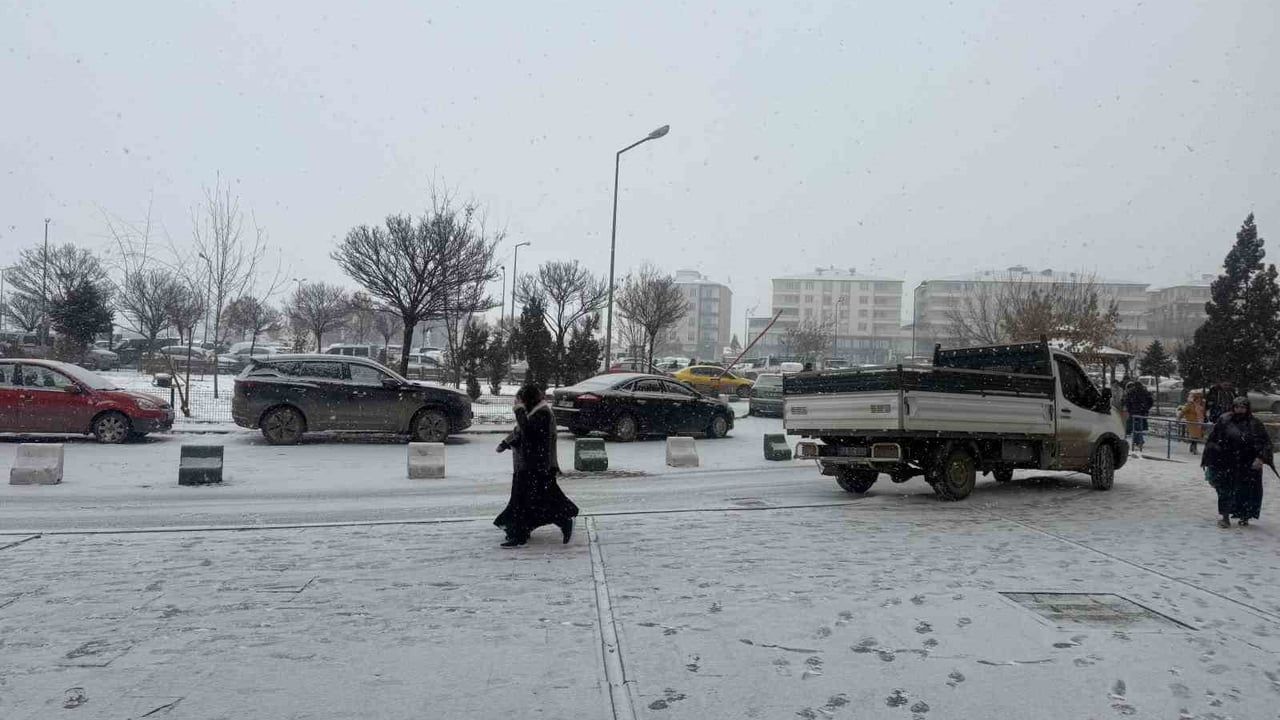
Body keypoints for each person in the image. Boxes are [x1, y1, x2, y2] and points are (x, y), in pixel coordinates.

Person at [494, 384, 579, 547]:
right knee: (531, 501)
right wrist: (506, 443)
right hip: (529, 466)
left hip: (537, 466)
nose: (518, 403)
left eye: (520, 401)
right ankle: (521, 531)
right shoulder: (534, 412)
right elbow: (520, 431)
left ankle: (560, 521)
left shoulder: (542, 413)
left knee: (530, 502)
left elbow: (529, 433)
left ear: (528, 400)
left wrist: (518, 410)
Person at [1203, 397, 1273, 528]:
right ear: (1233, 407)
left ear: (1247, 408)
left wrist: (1260, 458)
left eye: (1242, 407)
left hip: (1248, 463)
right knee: (1225, 490)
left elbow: (1265, 443)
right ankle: (1225, 517)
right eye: (1237, 407)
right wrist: (1211, 459)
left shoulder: (1255, 423)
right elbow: (1213, 440)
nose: (1239, 410)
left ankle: (1245, 516)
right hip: (1227, 462)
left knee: (1247, 491)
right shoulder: (1225, 421)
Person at [1123, 381, 1154, 452]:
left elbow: (1127, 402)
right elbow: (1151, 401)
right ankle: (1138, 441)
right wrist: (1146, 408)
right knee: (1138, 427)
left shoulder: (1133, 392)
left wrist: (1130, 409)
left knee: (1136, 427)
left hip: (1135, 412)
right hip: (1141, 412)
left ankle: (1138, 441)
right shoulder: (1144, 392)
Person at [1178, 390, 1207, 454]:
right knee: (1194, 436)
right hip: (1192, 422)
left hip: (1199, 421)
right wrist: (1179, 418)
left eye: (1200, 398)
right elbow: (1183, 411)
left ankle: (1192, 447)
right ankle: (1194, 448)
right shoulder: (1190, 404)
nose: (1199, 399)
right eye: (1198, 397)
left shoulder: (1201, 404)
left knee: (1197, 436)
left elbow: (1203, 412)